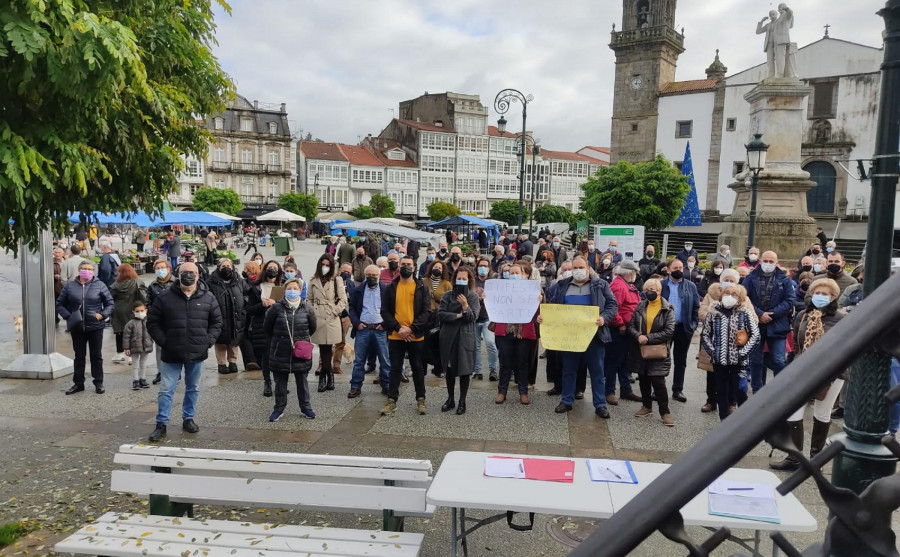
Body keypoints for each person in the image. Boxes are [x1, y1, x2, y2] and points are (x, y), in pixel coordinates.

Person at [770, 278, 847, 470]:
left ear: (834, 297)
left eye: (825, 294)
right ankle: (794, 458)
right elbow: (796, 345)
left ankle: (816, 459)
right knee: (793, 412)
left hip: (831, 373)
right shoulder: (803, 315)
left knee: (822, 412)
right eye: (817, 293)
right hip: (803, 371)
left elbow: (843, 350)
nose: (820, 297)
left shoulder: (841, 319)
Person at [147, 262, 223, 442]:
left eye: (192, 272)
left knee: (193, 388)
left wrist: (208, 341)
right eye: (185, 272)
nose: (188, 275)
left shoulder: (208, 298)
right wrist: (165, 342)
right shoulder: (164, 297)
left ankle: (188, 418)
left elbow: (217, 323)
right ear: (177, 274)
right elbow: (152, 322)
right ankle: (161, 423)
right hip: (171, 353)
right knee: (166, 389)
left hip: (196, 352)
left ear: (198, 276)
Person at [545, 256, 618, 417]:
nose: (577, 270)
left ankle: (600, 404)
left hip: (594, 336)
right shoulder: (562, 285)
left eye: (580, 267)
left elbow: (613, 304)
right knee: (568, 370)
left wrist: (604, 317)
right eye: (574, 268)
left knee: (597, 371)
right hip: (569, 337)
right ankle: (566, 400)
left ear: (588, 267)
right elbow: (552, 306)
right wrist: (544, 317)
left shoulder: (600, 285)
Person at [698, 268, 755, 413]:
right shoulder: (712, 300)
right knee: (716, 380)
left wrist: (743, 350)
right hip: (717, 350)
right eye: (726, 281)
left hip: (738, 354)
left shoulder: (745, 306)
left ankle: (733, 404)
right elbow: (703, 324)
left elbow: (754, 327)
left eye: (732, 282)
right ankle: (713, 403)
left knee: (738, 386)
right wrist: (714, 351)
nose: (730, 294)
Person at [380, 255, 431, 416]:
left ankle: (421, 399)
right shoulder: (391, 287)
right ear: (399, 266)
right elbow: (385, 311)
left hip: (416, 336)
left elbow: (426, 312)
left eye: (409, 264)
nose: (406, 266)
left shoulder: (421, 287)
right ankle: (391, 401)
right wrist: (398, 328)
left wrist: (411, 329)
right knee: (395, 368)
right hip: (396, 336)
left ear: (414, 267)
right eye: (403, 264)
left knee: (417, 368)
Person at [263, 278, 317, 421]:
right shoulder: (276, 308)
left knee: (302, 382)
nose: (292, 291)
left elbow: (312, 328)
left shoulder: (307, 309)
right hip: (280, 351)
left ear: (300, 291)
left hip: (300, 351)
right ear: (285, 290)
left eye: (295, 288)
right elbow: (267, 328)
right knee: (280, 382)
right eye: (289, 288)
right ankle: (279, 408)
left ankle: (306, 408)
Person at [56, 260, 114, 395]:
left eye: (89, 269)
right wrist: (68, 316)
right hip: (77, 327)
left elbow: (110, 303)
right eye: (84, 268)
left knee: (96, 356)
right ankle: (78, 383)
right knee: (79, 356)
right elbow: (59, 304)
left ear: (93, 271)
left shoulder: (100, 285)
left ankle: (98, 383)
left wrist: (103, 314)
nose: (87, 271)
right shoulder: (70, 286)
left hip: (95, 327)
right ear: (79, 270)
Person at [627, 278, 676, 426]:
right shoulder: (640, 306)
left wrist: (647, 338)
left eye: (652, 290)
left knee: (658, 382)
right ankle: (646, 406)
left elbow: (669, 331)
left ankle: (665, 412)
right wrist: (638, 336)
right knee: (643, 379)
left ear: (659, 291)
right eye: (646, 290)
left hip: (658, 351)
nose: (649, 292)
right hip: (641, 350)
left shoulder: (667, 309)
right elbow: (631, 326)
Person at [744, 250, 795, 393]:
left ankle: (780, 391)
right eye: (765, 261)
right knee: (755, 361)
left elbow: (789, 300)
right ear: (760, 261)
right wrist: (759, 314)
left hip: (777, 324)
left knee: (779, 360)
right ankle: (757, 390)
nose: (768, 264)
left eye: (771, 261)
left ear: (776, 262)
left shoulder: (784, 280)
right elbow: (744, 299)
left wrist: (771, 314)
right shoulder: (750, 278)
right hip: (755, 323)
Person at [493, 264, 539, 405]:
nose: (513, 274)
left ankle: (523, 392)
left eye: (516, 272)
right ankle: (502, 392)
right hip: (505, 331)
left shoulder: (531, 290)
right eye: (510, 272)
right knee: (505, 362)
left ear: (523, 274)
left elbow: (537, 312)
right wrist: (487, 297)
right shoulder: (499, 289)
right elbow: (492, 305)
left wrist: (539, 301)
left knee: (522, 363)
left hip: (523, 332)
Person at [438, 266, 481, 414]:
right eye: (459, 278)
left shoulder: (473, 297)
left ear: (469, 280)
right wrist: (456, 316)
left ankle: (462, 401)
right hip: (448, 336)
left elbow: (472, 317)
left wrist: (465, 306)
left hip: (465, 337)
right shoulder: (447, 295)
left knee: (464, 370)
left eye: (464, 278)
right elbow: (441, 314)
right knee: (449, 369)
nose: (461, 281)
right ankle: (450, 398)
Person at [348, 265, 392, 398]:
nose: (371, 278)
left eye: (374, 275)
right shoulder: (358, 290)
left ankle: (386, 385)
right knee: (359, 360)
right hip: (363, 329)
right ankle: (355, 386)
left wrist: (385, 324)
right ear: (365, 276)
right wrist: (356, 323)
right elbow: (352, 308)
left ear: (379, 275)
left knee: (385, 360)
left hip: (380, 329)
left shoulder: (386, 290)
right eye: (369, 275)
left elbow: (393, 309)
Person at [660, 258, 700, 403]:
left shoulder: (690, 286)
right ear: (668, 270)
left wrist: (693, 324)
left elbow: (696, 307)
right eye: (675, 268)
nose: (679, 270)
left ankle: (678, 389)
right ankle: (659, 388)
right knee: (661, 358)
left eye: (681, 268)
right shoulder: (661, 285)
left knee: (680, 360)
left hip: (683, 328)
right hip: (664, 328)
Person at [308, 253, 348, 393]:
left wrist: (335, 311)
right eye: (323, 264)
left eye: (328, 265)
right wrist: (312, 311)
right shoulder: (313, 280)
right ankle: (328, 375)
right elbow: (309, 299)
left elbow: (343, 300)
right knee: (323, 348)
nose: (325, 267)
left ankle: (324, 377)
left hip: (331, 317)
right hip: (318, 317)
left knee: (328, 347)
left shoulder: (337, 280)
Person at [605, 260, 643, 405]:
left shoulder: (627, 285)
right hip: (619, 330)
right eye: (635, 273)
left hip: (628, 330)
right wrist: (620, 324)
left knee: (624, 362)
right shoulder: (619, 286)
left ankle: (626, 390)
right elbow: (613, 308)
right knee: (614, 362)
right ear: (630, 272)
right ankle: (609, 391)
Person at [246, 260, 284, 397]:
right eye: (269, 267)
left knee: (280, 355)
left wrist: (277, 303)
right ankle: (267, 382)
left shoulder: (283, 286)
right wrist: (262, 305)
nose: (272, 270)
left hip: (280, 325)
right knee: (266, 356)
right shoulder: (256, 287)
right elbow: (249, 309)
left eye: (275, 267)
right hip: (262, 325)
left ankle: (280, 383)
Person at [207, 259, 246, 375]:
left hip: (236, 314)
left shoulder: (239, 281)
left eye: (228, 265)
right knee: (220, 341)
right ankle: (222, 363)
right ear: (218, 267)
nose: (226, 267)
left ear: (233, 267)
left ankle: (233, 361)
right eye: (223, 266)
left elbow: (246, 293)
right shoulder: (211, 281)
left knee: (234, 340)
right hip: (219, 315)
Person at [109, 263, 144, 364]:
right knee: (133, 332)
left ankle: (120, 353)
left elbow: (110, 297)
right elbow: (143, 297)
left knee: (119, 331)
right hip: (133, 309)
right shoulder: (137, 282)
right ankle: (131, 356)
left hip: (118, 310)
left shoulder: (115, 284)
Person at [424, 258, 452, 378]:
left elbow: (450, 299)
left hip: (439, 317)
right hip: (425, 316)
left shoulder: (446, 283)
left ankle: (439, 368)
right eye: (435, 267)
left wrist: (437, 297)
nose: (437, 269)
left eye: (440, 268)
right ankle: (422, 368)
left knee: (438, 343)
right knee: (423, 343)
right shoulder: (424, 281)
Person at [473, 257, 498, 381]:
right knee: (475, 346)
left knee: (491, 343)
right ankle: (478, 371)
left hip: (488, 317)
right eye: (480, 266)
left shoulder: (492, 283)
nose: (482, 268)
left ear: (489, 269)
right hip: (474, 318)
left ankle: (493, 369)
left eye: (485, 266)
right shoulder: (472, 282)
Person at [123, 301, 153, 390]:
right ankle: (135, 380)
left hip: (146, 346)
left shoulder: (149, 321)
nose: (140, 313)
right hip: (134, 347)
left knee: (143, 364)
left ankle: (142, 379)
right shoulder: (131, 323)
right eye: (137, 311)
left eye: (142, 310)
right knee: (135, 364)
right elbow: (126, 336)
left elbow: (152, 332)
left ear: (146, 310)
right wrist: (126, 347)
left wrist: (152, 342)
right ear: (133, 312)